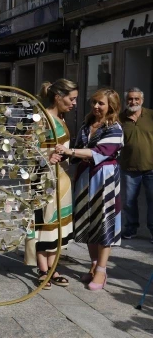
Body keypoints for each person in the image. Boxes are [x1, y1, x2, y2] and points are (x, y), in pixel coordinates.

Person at [55, 88, 123, 291]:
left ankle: (102, 270)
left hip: (105, 178)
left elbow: (100, 152)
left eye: (101, 103)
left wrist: (71, 151)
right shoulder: (87, 124)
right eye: (94, 102)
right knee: (86, 220)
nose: (96, 106)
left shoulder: (115, 128)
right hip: (85, 177)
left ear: (111, 105)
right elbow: (76, 152)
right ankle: (94, 265)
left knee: (104, 222)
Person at [29, 79, 78, 289]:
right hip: (44, 178)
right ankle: (43, 269)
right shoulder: (42, 118)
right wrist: (47, 158)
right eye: (71, 98)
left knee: (58, 224)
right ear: (58, 97)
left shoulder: (60, 117)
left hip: (62, 179)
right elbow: (29, 149)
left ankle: (53, 267)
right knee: (44, 223)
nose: (74, 102)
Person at [119, 88, 153, 242]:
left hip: (151, 168)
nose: (133, 102)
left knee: (152, 200)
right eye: (130, 99)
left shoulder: (151, 115)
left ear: (142, 100)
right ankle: (131, 228)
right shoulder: (120, 118)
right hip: (129, 168)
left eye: (136, 99)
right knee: (129, 201)